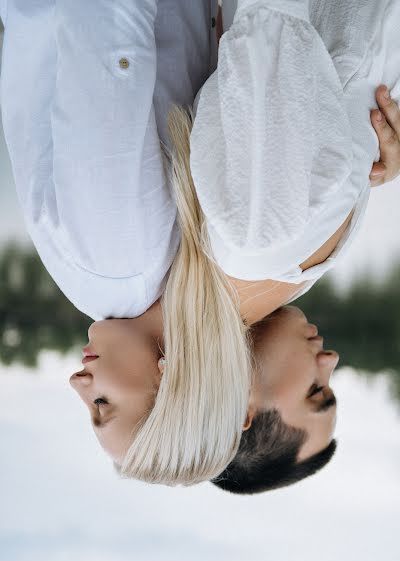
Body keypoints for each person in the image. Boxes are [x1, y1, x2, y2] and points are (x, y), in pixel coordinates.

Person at [2, 1, 400, 487]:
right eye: (103, 405)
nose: (78, 385)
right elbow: (110, 25)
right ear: (170, 381)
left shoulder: (144, 275)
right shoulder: (119, 267)